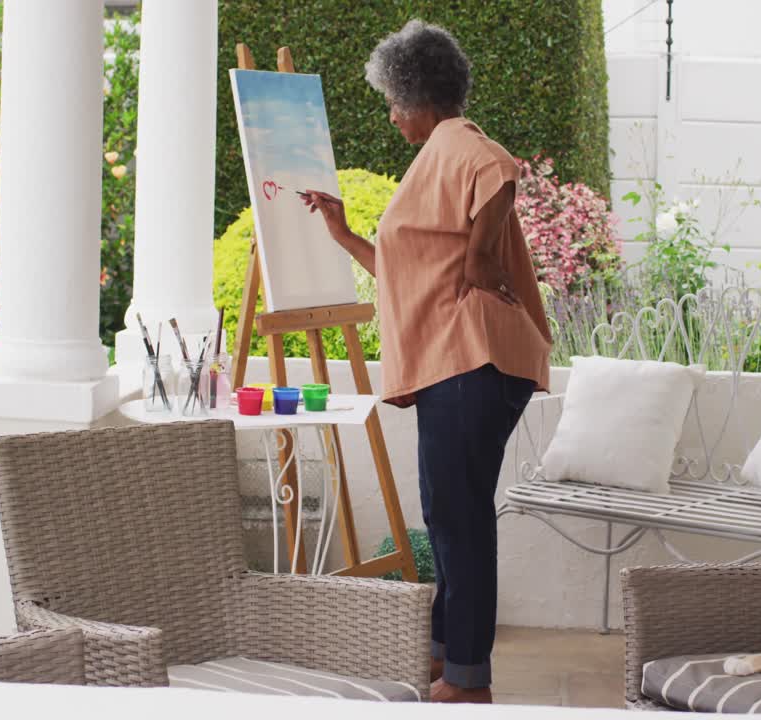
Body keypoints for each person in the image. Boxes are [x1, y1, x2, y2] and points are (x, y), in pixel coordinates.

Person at [301, 19, 552, 705]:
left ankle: (468, 680)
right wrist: (344, 233)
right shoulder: (436, 157)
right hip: (459, 362)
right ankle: (446, 654)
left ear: (418, 95)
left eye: (392, 101)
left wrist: (481, 257)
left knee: (458, 518)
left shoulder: (460, 142)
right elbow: (407, 273)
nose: (390, 115)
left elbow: (500, 169)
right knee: (449, 514)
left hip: (472, 361)